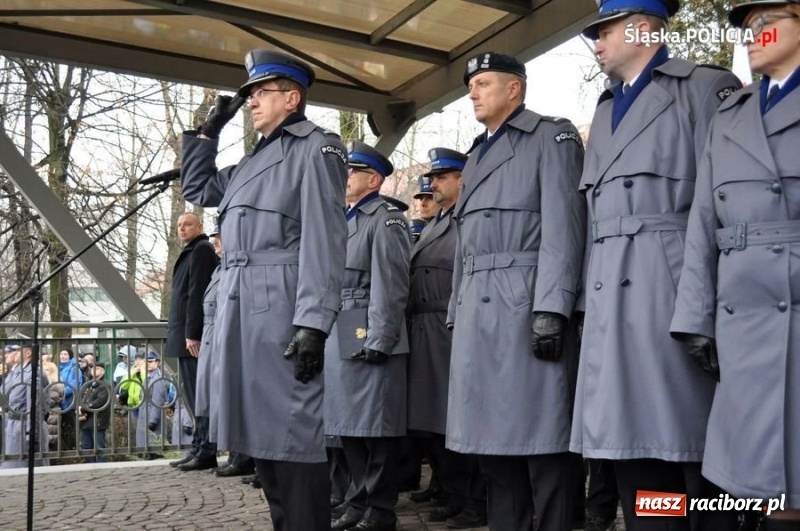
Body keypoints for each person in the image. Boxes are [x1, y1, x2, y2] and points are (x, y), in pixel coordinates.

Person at [570, 1, 743, 529]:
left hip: (670, 293)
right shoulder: (604, 108)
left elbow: (722, 202)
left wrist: (704, 308)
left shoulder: (701, 88)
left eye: (604, 30)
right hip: (610, 300)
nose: (595, 42)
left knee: (693, 446)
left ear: (641, 27)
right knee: (633, 449)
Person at [181, 49, 348, 531]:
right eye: (249, 93)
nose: (251, 101)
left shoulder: (317, 148)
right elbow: (200, 186)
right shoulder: (253, 162)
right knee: (266, 448)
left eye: (261, 92)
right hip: (241, 312)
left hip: (282, 310)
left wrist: (315, 322)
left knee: (293, 441)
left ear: (292, 98)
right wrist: (208, 131)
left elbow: (326, 239)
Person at [670, 1, 800, 529]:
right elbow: (703, 222)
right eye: (747, 29)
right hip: (741, 313)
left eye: (766, 26)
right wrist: (696, 319)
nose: (753, 36)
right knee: (754, 481)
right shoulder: (732, 111)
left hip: (794, 310)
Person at [446, 51, 586, 531]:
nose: (472, 91)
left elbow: (564, 229)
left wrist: (553, 307)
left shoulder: (550, 136)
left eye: (483, 82)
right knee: (493, 451)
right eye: (471, 84)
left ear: (514, 89)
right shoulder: (476, 154)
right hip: (478, 316)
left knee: (544, 446)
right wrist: (454, 312)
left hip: (525, 305)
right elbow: (465, 246)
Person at [325, 141, 411, 531]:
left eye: (352, 171)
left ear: (373, 179)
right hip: (341, 333)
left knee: (376, 428)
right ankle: (358, 501)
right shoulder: (343, 219)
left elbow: (390, 285)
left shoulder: (385, 219)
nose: (344, 178)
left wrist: (380, 337)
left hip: (369, 331)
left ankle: (380, 509)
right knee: (349, 428)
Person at [407, 147, 487, 529]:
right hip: (426, 331)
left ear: (462, 180)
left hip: (449, 328)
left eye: (441, 178)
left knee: (457, 418)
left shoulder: (467, 218)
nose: (433, 184)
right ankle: (453, 493)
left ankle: (474, 500)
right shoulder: (438, 222)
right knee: (432, 421)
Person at [165, 211, 219, 472]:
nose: (182, 229)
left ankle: (206, 449)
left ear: (200, 226)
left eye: (187, 224)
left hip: (192, 337)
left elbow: (198, 292)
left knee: (201, 396)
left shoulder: (202, 250)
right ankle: (198, 446)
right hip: (183, 335)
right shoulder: (191, 251)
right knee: (192, 396)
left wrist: (193, 333)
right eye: (179, 225)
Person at [1, 345, 49, 468]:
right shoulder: (18, 371)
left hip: (24, 427)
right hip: (14, 425)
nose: (14, 353)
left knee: (24, 467)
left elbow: (35, 408)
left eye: (17, 350)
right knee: (12, 466)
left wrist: (32, 436)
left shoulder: (34, 373)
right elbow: (4, 393)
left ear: (28, 353)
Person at [135, 351, 168, 458]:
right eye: (146, 361)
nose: (148, 364)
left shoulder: (157, 378)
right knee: (145, 450)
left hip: (151, 418)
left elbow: (157, 402)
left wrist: (152, 422)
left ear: (157, 362)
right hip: (144, 416)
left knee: (153, 450)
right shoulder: (148, 377)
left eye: (150, 361)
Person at [78, 362, 111, 463]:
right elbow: (83, 398)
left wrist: (83, 409)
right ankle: (90, 465)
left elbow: (99, 402)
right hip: (86, 421)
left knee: (99, 447)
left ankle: (102, 466)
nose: (95, 371)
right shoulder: (89, 384)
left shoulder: (105, 385)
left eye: (98, 369)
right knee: (86, 446)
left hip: (98, 420)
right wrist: (80, 409)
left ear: (103, 371)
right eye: (93, 369)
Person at [58, 347, 83, 452]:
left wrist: (61, 393)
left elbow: (74, 385)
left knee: (71, 427)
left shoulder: (74, 368)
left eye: (66, 354)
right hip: (58, 403)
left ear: (70, 356)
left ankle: (73, 449)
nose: (63, 356)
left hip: (69, 402)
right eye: (62, 354)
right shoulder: (58, 367)